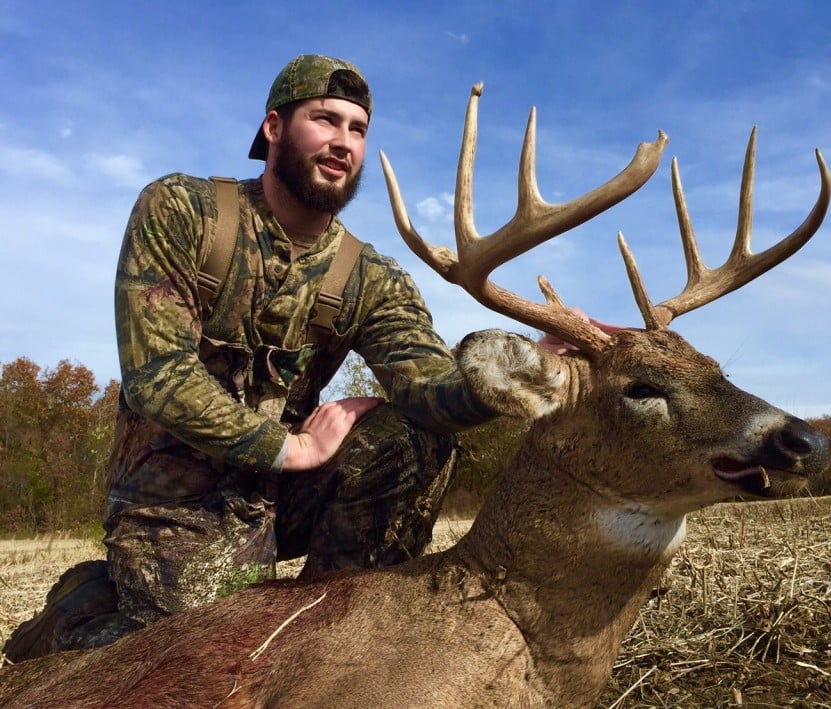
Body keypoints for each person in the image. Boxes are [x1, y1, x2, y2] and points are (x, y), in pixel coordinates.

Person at [4, 54, 519, 661]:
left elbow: (430, 389)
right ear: (273, 127)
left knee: (413, 436)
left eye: (358, 130)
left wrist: (514, 371)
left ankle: (338, 629)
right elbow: (158, 379)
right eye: (325, 120)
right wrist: (295, 448)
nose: (343, 143)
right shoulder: (182, 211)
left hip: (278, 494)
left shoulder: (370, 276)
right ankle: (79, 609)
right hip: (173, 503)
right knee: (202, 660)